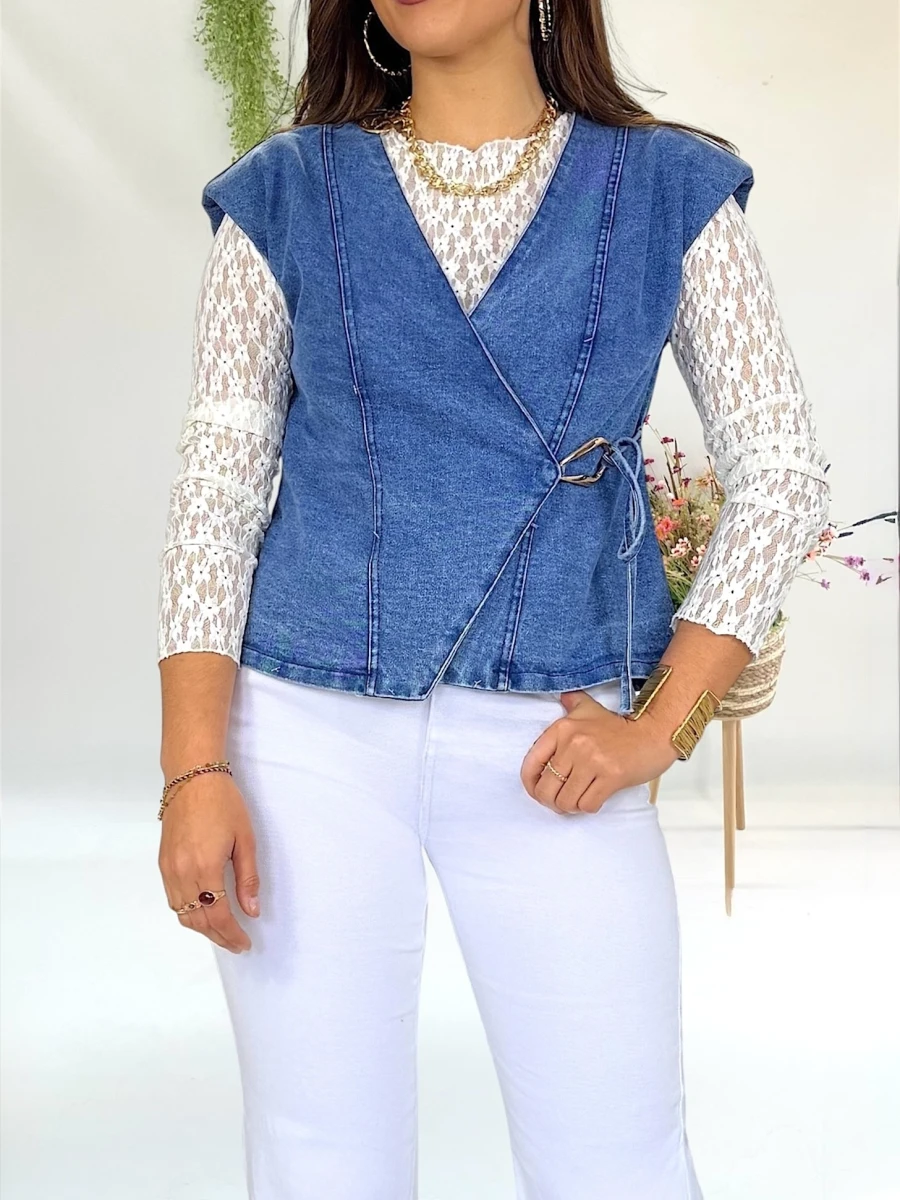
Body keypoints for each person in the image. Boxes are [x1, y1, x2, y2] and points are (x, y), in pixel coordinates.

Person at [155, 2, 831, 1196]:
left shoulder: (670, 189)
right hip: (303, 728)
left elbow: (782, 472)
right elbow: (218, 487)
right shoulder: (286, 191)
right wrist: (194, 770)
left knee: (615, 1161)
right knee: (319, 1159)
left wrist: (660, 727)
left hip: (554, 742)